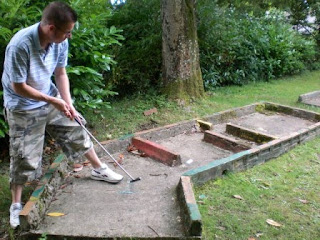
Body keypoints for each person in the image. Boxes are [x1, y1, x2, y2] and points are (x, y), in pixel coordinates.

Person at [1, 1, 123, 229]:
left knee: (77, 128)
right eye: (67, 32)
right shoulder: (20, 45)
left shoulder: (59, 42)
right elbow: (18, 86)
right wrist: (54, 101)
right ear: (50, 28)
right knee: (23, 156)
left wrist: (68, 104)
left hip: (49, 96)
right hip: (22, 106)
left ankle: (99, 169)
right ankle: (16, 205)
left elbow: (61, 73)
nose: (69, 36)